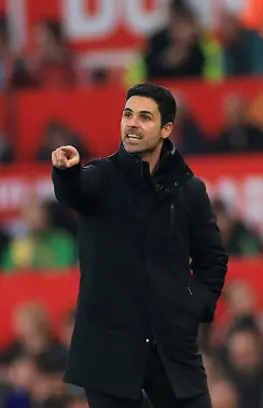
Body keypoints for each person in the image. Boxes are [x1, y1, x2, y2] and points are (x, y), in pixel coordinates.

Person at [51, 83, 228, 408]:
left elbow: (212, 259)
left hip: (172, 347)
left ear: (166, 129)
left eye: (144, 117)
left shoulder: (189, 190)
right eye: (127, 114)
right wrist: (67, 173)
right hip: (109, 349)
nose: (132, 123)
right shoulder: (101, 176)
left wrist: (194, 306)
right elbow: (74, 192)